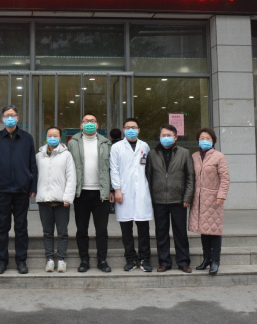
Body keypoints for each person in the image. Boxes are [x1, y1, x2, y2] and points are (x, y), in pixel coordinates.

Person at [0, 105, 38, 275]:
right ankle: (1, 261)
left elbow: (32, 164)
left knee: (21, 227)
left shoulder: (27, 138)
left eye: (13, 115)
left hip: (22, 189)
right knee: (2, 227)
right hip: (1, 189)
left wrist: (33, 186)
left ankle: (21, 261)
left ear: (18, 118)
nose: (10, 118)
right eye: (7, 115)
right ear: (2, 118)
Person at [67, 112, 114, 273]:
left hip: (101, 193)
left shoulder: (106, 143)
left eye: (92, 121)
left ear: (97, 125)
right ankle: (84, 260)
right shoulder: (72, 143)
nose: (89, 123)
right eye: (86, 121)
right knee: (82, 230)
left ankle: (102, 260)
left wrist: (111, 189)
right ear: (81, 125)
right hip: (81, 193)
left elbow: (112, 168)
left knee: (102, 230)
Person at [146, 124, 195, 273]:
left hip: (178, 200)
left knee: (180, 233)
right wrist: (150, 198)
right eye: (163, 135)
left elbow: (190, 177)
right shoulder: (152, 154)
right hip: (159, 200)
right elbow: (148, 177)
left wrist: (187, 197)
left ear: (175, 137)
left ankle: (183, 261)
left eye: (168, 135)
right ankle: (164, 262)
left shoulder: (184, 153)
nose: (165, 138)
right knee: (161, 233)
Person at [110, 118, 154, 272]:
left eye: (133, 127)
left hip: (142, 192)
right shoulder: (116, 147)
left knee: (143, 230)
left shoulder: (145, 146)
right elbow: (114, 169)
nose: (130, 130)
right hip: (124, 192)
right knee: (126, 229)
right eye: (127, 127)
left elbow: (147, 168)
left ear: (139, 130)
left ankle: (144, 259)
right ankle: (130, 258)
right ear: (123, 130)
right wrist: (117, 189)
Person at [188, 128, 230, 276]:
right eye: (202, 138)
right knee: (204, 230)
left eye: (207, 138)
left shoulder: (219, 156)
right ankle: (206, 259)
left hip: (213, 199)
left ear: (213, 141)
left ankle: (215, 261)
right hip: (198, 199)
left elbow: (225, 178)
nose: (204, 141)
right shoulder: (194, 156)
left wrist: (221, 195)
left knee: (214, 231)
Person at [36, 127, 76, 273]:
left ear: (60, 138)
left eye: (55, 135)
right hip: (44, 200)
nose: (52, 138)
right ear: (46, 137)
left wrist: (68, 197)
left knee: (62, 232)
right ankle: (49, 259)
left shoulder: (67, 155)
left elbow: (71, 177)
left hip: (61, 201)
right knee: (47, 232)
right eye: (50, 135)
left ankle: (61, 259)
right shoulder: (39, 156)